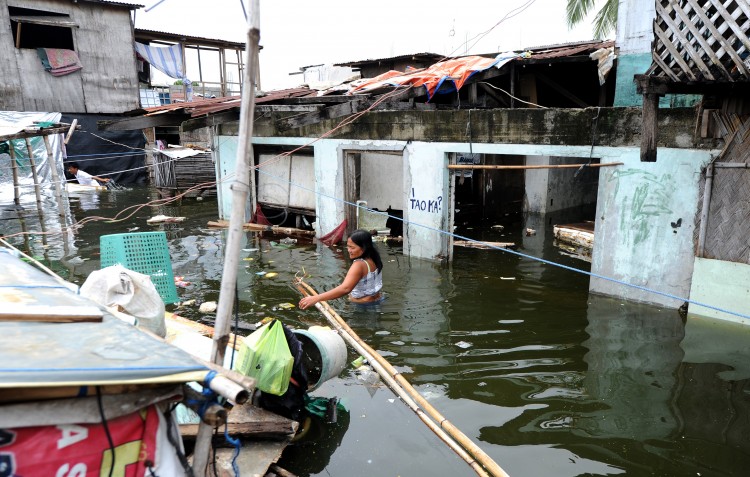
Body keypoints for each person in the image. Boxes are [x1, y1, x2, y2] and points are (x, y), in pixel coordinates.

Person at [299, 229, 383, 309]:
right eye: (348, 246)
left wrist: (316, 298)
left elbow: (345, 289)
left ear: (364, 248)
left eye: (352, 248)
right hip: (376, 299)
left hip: (363, 305)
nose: (349, 250)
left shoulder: (359, 264)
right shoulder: (373, 258)